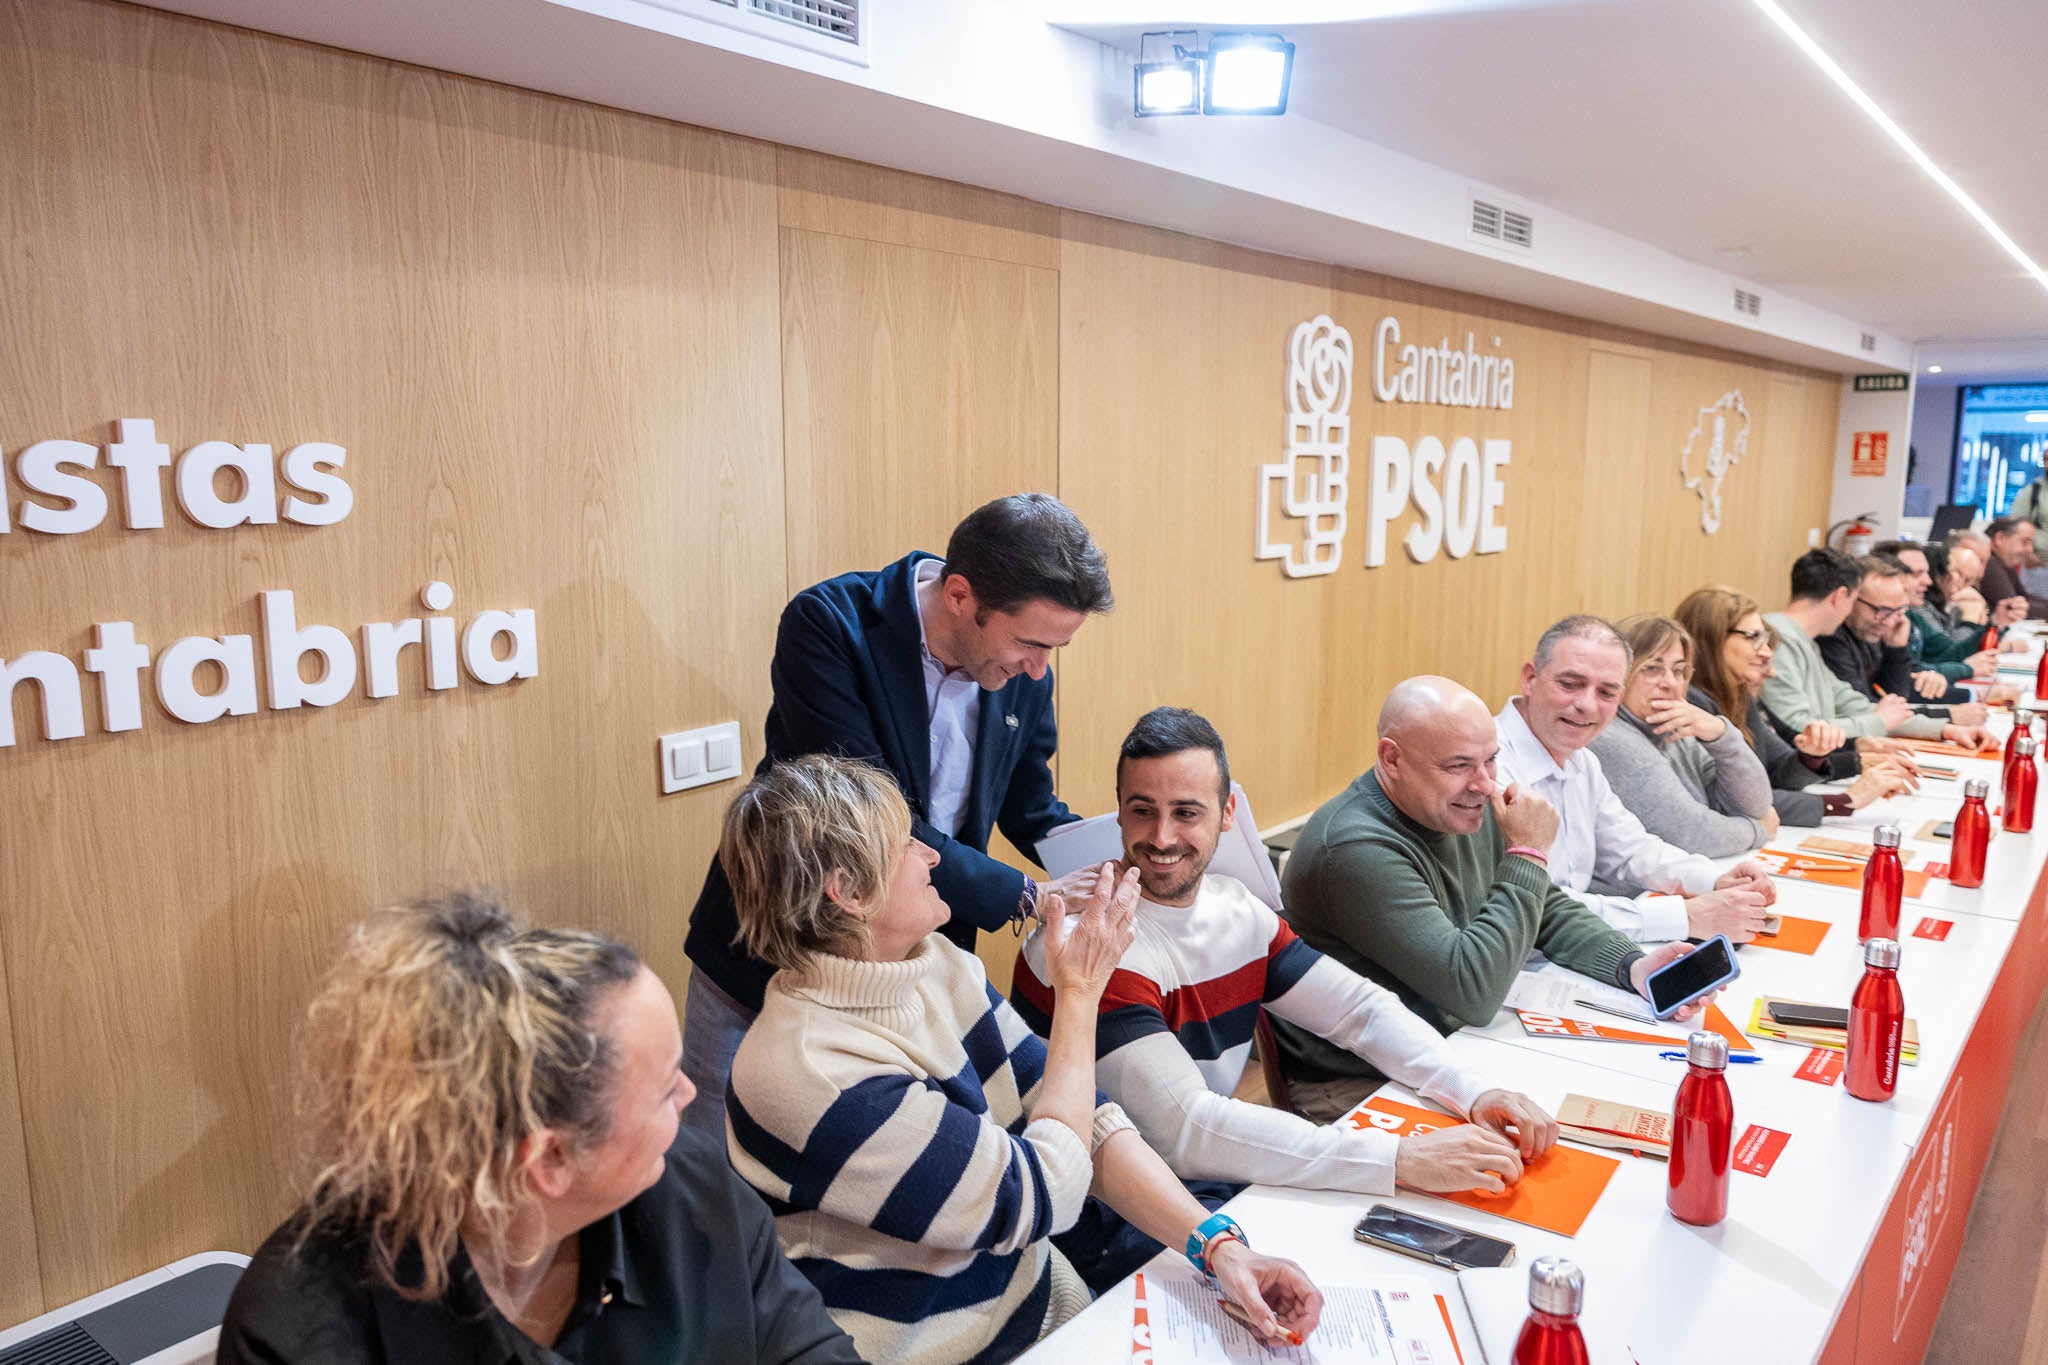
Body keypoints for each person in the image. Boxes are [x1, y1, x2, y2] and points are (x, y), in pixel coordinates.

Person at [721, 755, 1322, 1364]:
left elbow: (1083, 1117)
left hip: (1052, 1312)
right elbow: (1046, 1192)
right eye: (905, 843)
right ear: (847, 891)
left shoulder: (933, 963)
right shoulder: (815, 1073)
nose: (931, 855)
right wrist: (1079, 996)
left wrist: (1219, 1249)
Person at [217, 893, 861, 1365]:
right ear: (548, 1160)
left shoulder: (697, 1195)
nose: (691, 1095)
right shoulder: (300, 1328)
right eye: (666, 1088)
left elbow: (809, 1352)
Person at [682, 492, 1116, 1136]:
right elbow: (873, 823)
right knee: (713, 1166)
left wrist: (1117, 865)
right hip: (784, 947)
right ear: (961, 595)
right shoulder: (830, 625)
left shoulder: (1025, 671)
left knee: (873, 1171)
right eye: (1029, 642)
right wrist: (1027, 894)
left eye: (1054, 650)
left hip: (909, 961)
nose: (1037, 667)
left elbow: (1030, 808)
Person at [1010, 707, 1557, 1194]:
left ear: (1228, 814)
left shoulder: (1238, 909)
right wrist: (1398, 1158)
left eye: (1186, 812)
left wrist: (1470, 1090)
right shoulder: (1090, 941)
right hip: (1105, 1203)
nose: (1162, 837)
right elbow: (1185, 1130)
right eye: (1142, 810)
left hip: (1199, 1176)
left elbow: (1359, 1012)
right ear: (1119, 813)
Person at [1273, 676, 1714, 1122]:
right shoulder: (1353, 849)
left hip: (1453, 1047)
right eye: (1458, 766)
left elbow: (1545, 907)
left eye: (1491, 760)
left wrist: (1631, 966)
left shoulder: (1457, 804)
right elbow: (1473, 992)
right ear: (1392, 759)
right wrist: (1528, 853)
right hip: (1362, 1083)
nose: (1483, 784)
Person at [1493, 615, 1776, 944]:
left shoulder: (1581, 758)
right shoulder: (1488, 766)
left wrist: (1715, 880)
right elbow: (1537, 907)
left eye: (1606, 692)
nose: (1586, 705)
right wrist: (1686, 917)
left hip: (1576, 951)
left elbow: (1631, 850)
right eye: (1569, 684)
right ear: (1530, 678)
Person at [1675, 586, 1915, 828]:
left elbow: (1780, 770)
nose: (1767, 652)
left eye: (1765, 640)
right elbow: (1731, 801)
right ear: (1711, 639)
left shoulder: (1738, 695)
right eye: (1753, 638)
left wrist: (1811, 755)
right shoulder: (1693, 707)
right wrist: (1846, 800)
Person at [1583, 614, 1775, 856]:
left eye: (1680, 671)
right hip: (1629, 892)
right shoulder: (1610, 735)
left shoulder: (1674, 727)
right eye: (1652, 668)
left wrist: (1722, 735)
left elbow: (1755, 804)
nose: (1670, 684)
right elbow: (1693, 835)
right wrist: (1758, 830)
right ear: (1616, 673)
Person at [1763, 549, 1992, 749]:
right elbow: (1798, 727)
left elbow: (1856, 704)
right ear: (1840, 596)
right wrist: (1880, 722)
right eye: (1853, 600)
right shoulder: (1779, 641)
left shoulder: (1804, 640)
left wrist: (1944, 729)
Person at [1980, 516, 2048, 618]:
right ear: (2000, 539)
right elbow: (2012, 607)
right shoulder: (1988, 563)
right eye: (2025, 542)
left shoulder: (2004, 563)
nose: (2030, 550)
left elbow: (2024, 597)